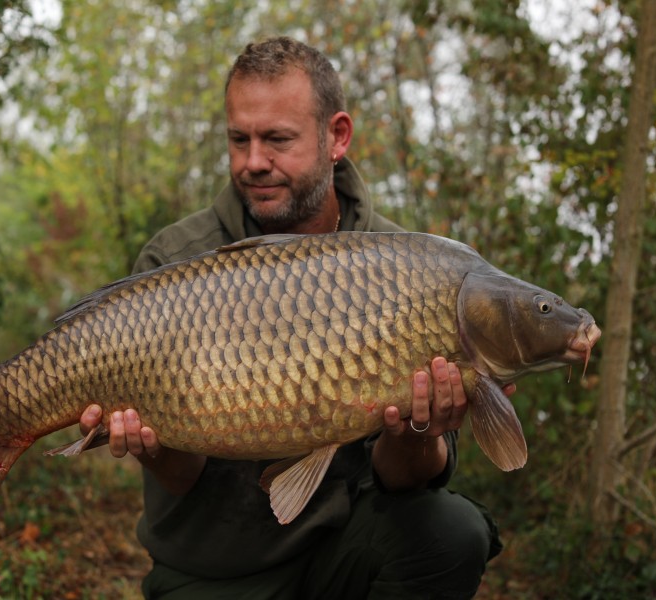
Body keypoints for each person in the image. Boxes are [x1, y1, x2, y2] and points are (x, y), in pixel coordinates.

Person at [80, 36, 506, 599]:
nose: (254, 162)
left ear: (337, 136)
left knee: (452, 533)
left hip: (344, 555)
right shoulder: (176, 262)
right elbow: (180, 481)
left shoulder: (412, 266)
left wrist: (416, 433)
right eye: (239, 140)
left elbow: (404, 479)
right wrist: (155, 446)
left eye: (277, 139)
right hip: (212, 573)